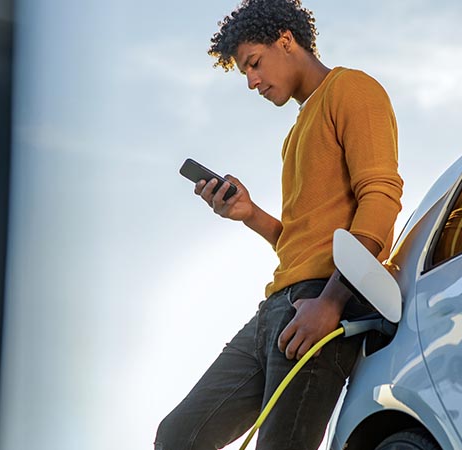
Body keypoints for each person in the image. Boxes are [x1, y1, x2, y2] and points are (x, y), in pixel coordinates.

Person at [154, 1, 403, 449]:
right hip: (276, 308)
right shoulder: (295, 133)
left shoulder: (352, 89)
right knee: (178, 436)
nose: (251, 81)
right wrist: (248, 213)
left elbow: (380, 199)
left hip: (322, 302)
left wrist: (331, 302)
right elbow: (298, 241)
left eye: (254, 63)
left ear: (286, 40)